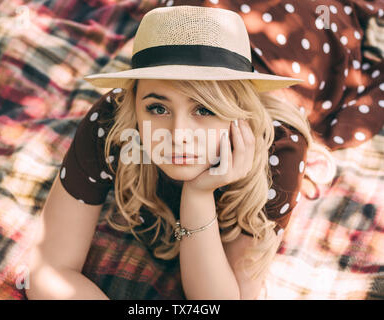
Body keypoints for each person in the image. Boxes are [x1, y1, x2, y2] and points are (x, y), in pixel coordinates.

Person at [26, 5, 326, 300]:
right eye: (157, 108)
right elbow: (47, 270)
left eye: (204, 109)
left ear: (239, 115)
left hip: (303, 24)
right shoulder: (111, 122)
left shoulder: (279, 149)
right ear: (134, 104)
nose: (178, 136)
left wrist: (198, 194)